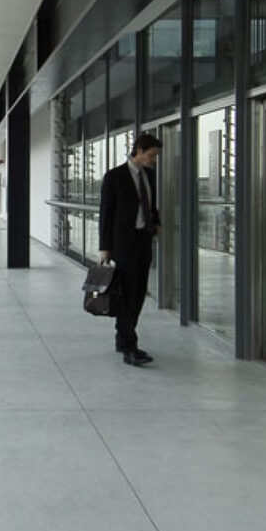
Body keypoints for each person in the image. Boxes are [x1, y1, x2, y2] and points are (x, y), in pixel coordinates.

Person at [99, 132, 162, 365]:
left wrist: (156, 223)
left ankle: (123, 339)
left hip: (143, 240)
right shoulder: (115, 176)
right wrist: (105, 247)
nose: (154, 160)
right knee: (127, 293)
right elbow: (106, 213)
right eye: (152, 155)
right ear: (139, 151)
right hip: (123, 244)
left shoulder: (149, 175)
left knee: (139, 292)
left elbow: (151, 205)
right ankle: (129, 346)